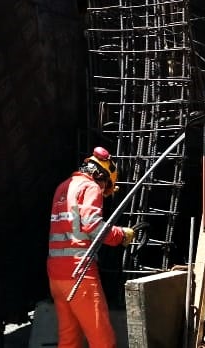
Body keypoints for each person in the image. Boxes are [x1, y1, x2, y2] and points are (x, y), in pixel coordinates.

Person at [47, 147, 136, 348]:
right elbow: (92, 225)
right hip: (80, 275)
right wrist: (120, 235)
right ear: (100, 175)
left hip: (56, 275)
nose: (104, 191)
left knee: (69, 339)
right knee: (102, 340)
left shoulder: (63, 187)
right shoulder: (91, 187)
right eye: (106, 186)